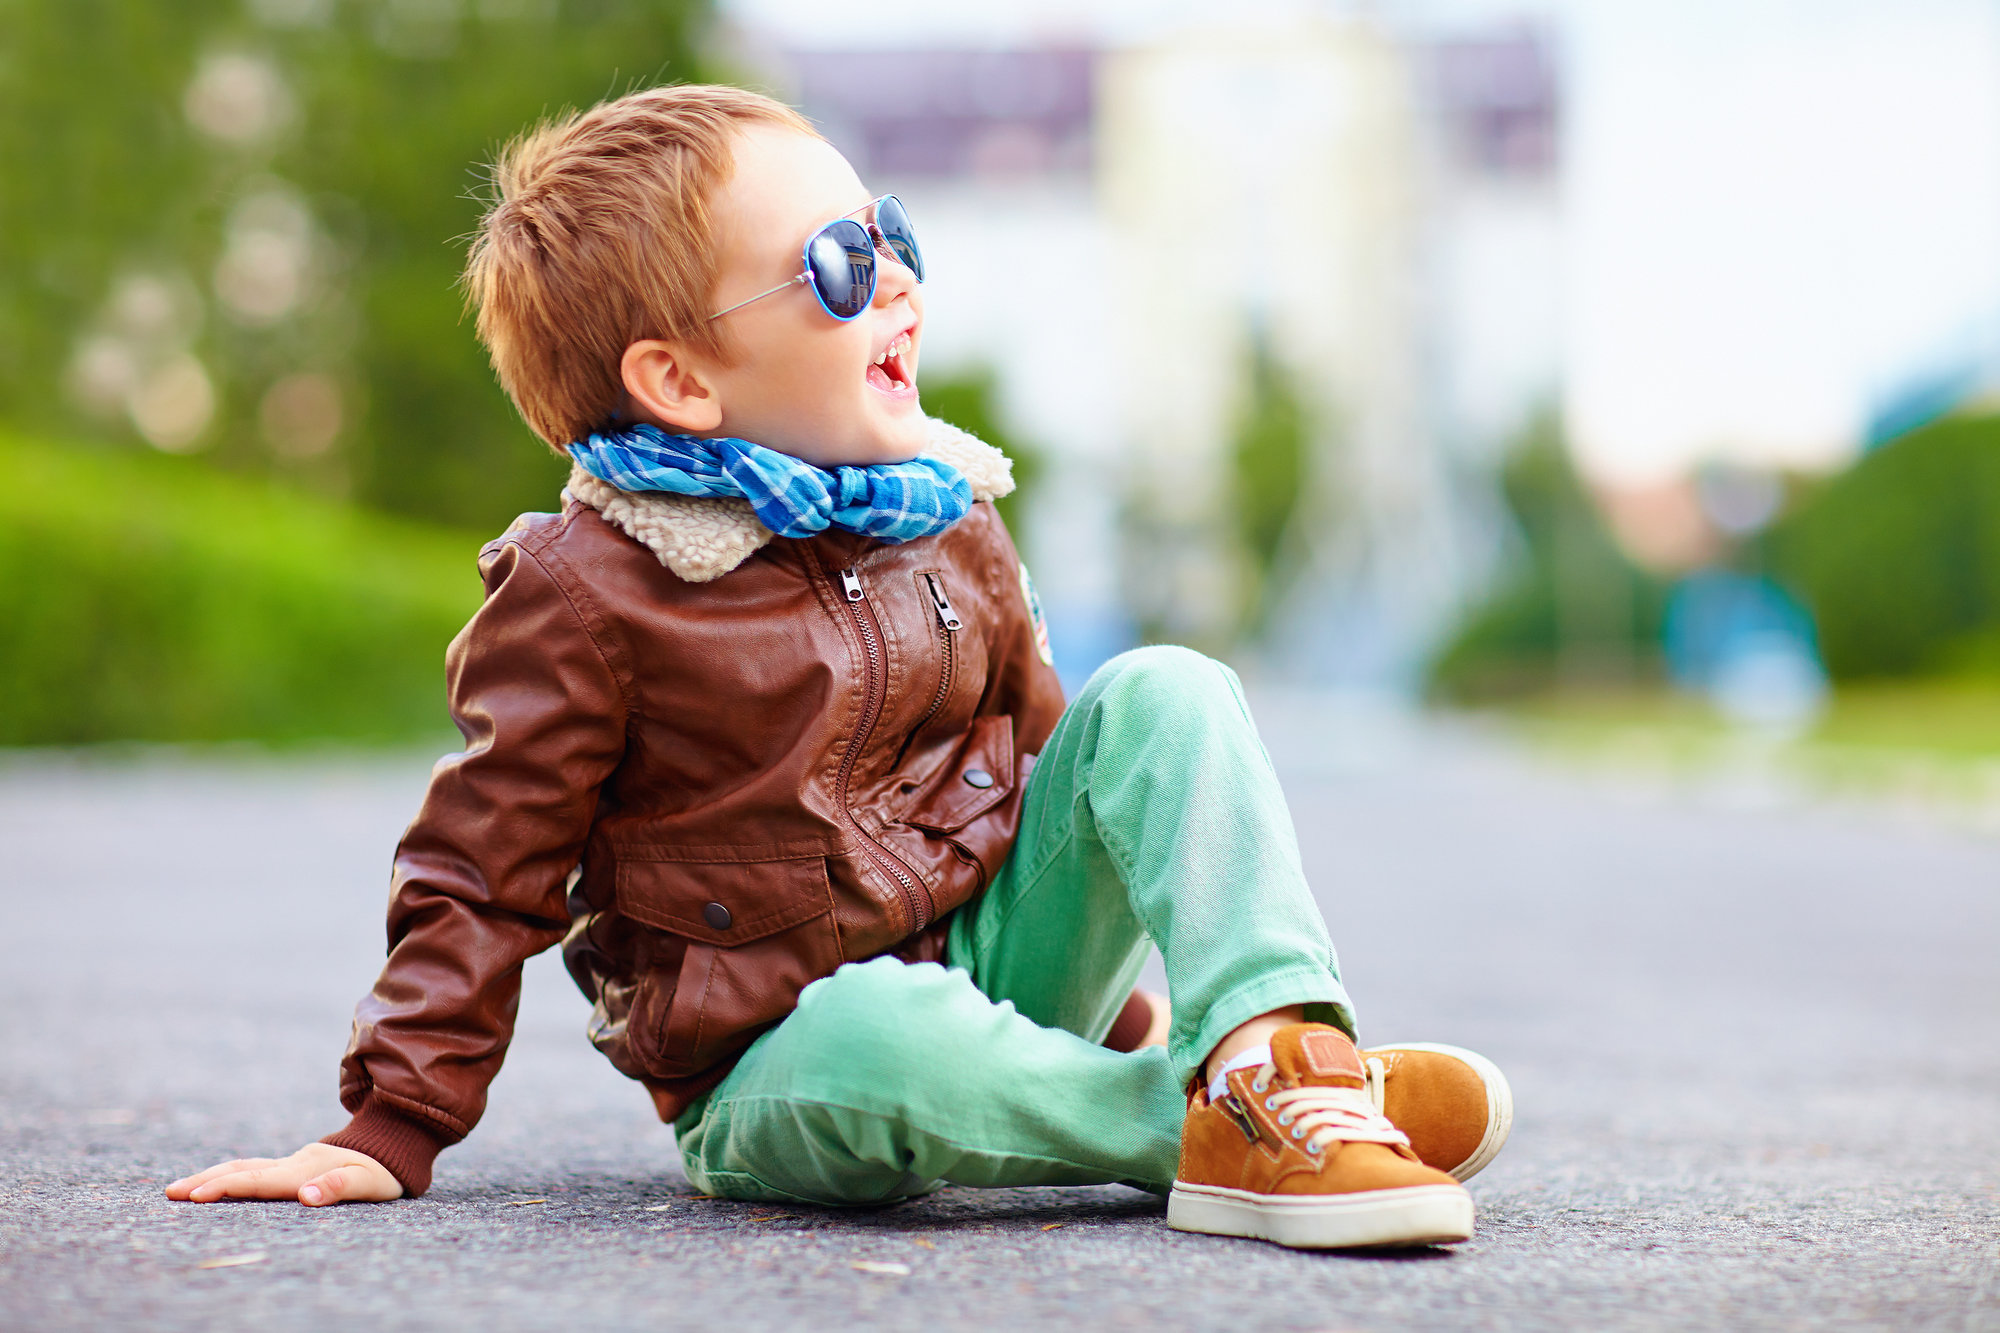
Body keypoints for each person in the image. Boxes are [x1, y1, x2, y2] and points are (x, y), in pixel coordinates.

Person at [167, 84, 1511, 1250]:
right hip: (784, 1053)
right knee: (887, 1034)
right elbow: (481, 862)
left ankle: (1281, 1052)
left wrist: (1112, 997)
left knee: (1168, 690)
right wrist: (389, 1124)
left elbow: (1057, 768)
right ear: (680, 379)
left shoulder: (943, 509)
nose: (900, 281)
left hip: (990, 964)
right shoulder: (589, 591)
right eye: (839, 266)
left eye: (894, 235)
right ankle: (1204, 1123)